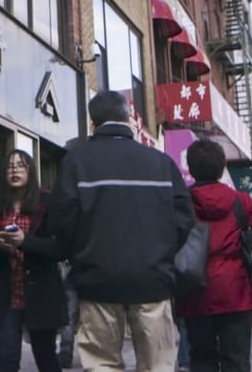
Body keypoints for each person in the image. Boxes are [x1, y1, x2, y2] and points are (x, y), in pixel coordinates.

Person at [51, 91, 193, 372]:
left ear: (93, 122)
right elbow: (184, 218)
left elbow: (62, 221)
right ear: (128, 117)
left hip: (97, 280)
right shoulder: (161, 163)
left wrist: (78, 255)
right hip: (153, 280)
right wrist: (162, 253)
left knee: (102, 363)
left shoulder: (77, 162)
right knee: (158, 365)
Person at [177, 138, 252, 372]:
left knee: (201, 359)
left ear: (190, 169)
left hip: (194, 291)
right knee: (237, 360)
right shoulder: (240, 201)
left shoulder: (182, 202)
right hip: (236, 292)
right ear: (222, 167)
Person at [0, 149, 66, 372]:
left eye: (20, 166)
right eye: (10, 166)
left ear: (30, 171)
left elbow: (60, 248)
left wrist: (25, 241)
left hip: (41, 293)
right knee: (5, 359)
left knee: (46, 359)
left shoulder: (47, 202)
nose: (14, 170)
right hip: (6, 294)